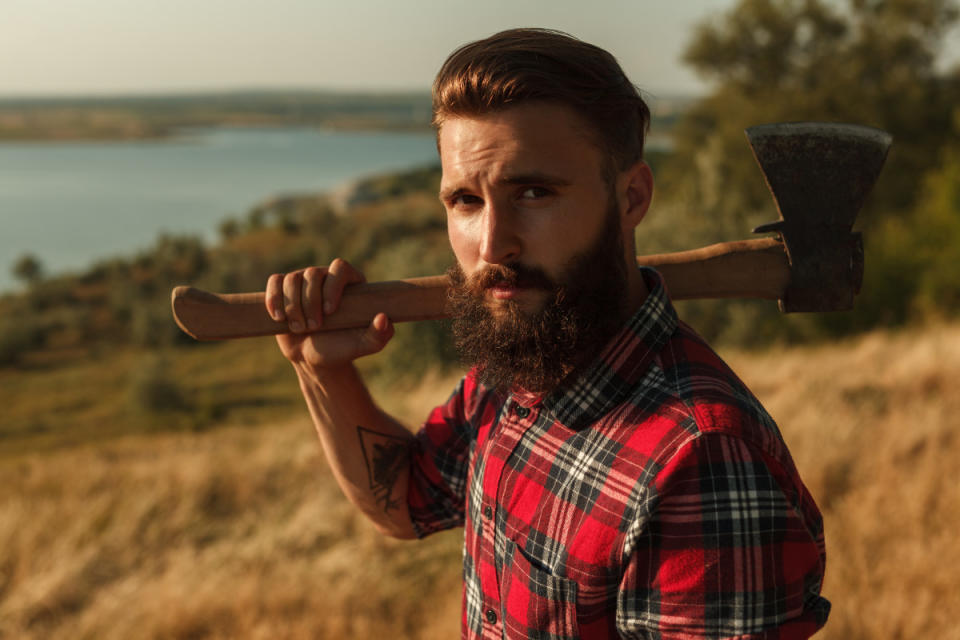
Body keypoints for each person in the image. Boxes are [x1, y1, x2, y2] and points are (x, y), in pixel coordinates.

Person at [265, 28, 831, 640]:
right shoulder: (518, 363)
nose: (492, 245)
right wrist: (319, 369)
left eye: (533, 193)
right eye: (465, 200)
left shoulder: (702, 461)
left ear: (632, 196)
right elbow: (403, 503)